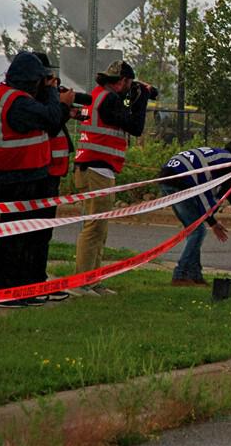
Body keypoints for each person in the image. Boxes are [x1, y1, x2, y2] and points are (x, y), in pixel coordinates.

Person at [0, 52, 74, 307]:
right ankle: (6, 290)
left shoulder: (6, 94)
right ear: (30, 80)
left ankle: (23, 288)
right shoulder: (18, 102)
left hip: (21, 173)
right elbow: (50, 118)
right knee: (16, 238)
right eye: (39, 80)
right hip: (18, 176)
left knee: (25, 236)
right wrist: (59, 100)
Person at [74, 60, 155, 296]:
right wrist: (142, 99)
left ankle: (93, 280)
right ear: (122, 81)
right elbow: (134, 126)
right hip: (96, 169)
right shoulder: (108, 100)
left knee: (100, 229)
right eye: (129, 84)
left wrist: (136, 95)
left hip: (96, 168)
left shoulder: (101, 95)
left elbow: (123, 111)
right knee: (93, 229)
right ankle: (82, 282)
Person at [159, 141, 231, 286]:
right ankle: (180, 275)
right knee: (198, 232)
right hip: (179, 182)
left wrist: (212, 221)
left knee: (194, 229)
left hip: (168, 177)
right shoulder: (229, 163)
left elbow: (219, 193)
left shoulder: (218, 156)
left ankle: (195, 276)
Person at [33, 53, 82, 302]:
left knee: (44, 232)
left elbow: (54, 123)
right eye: (49, 78)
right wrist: (60, 104)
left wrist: (66, 111)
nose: (52, 82)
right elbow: (50, 125)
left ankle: (39, 281)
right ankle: (32, 284)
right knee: (35, 233)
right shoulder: (34, 100)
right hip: (42, 173)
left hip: (53, 173)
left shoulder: (45, 101)